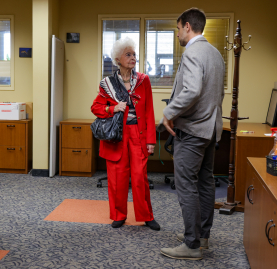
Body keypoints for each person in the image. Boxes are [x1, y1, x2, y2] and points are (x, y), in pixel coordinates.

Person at [157, 8, 225, 260]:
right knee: (205, 183)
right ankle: (202, 237)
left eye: (177, 29)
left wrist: (169, 112)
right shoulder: (215, 53)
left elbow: (192, 90)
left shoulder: (193, 53)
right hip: (210, 129)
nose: (177, 34)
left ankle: (191, 244)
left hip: (194, 129)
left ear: (187, 26)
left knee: (186, 185)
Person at [91, 37, 160, 231]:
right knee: (117, 178)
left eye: (134, 54)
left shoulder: (144, 80)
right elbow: (96, 107)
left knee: (140, 178)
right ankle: (119, 215)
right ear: (118, 59)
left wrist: (151, 141)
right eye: (128, 55)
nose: (133, 58)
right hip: (117, 136)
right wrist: (113, 108)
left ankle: (147, 216)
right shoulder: (107, 84)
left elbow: (149, 112)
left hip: (138, 134)